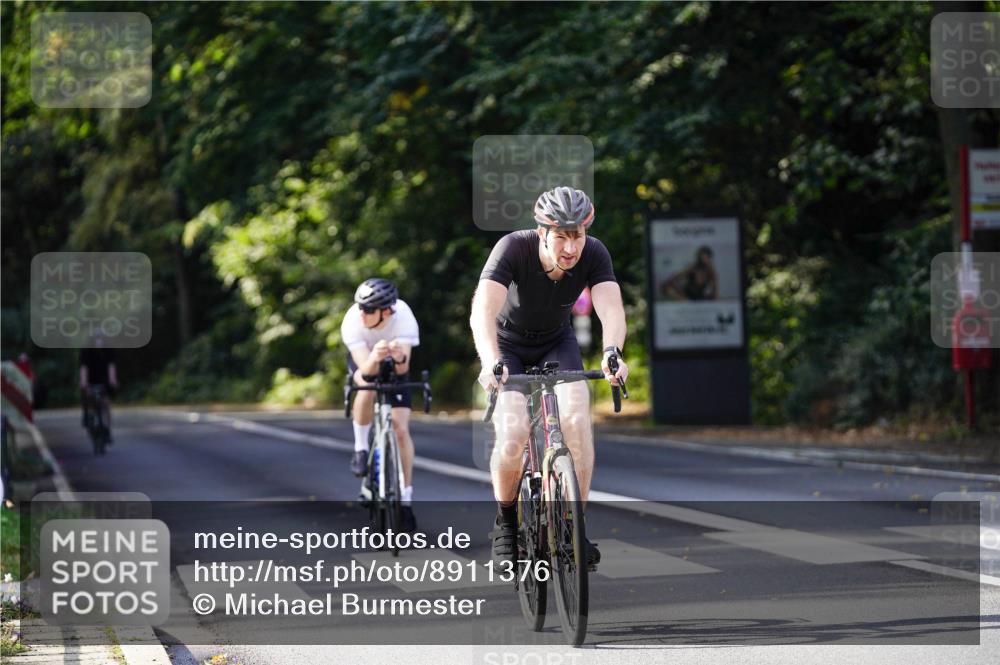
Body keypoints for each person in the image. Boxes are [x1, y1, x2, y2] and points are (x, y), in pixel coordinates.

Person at [469, 186, 629, 569]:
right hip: (509, 347)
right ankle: (507, 526)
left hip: (557, 343)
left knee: (576, 421)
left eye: (578, 236)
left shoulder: (595, 253)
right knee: (513, 431)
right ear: (542, 233)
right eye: (562, 236)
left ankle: (574, 526)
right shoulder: (512, 248)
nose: (571, 248)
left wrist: (612, 352)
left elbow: (611, 307)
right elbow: (482, 310)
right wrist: (490, 360)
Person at [341, 278, 420, 532]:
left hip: (395, 368)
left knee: (400, 429)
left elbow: (405, 367)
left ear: (386, 311)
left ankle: (405, 501)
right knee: (365, 388)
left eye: (369, 310)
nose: (362, 313)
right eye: (361, 307)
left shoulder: (404, 316)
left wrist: (398, 357)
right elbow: (365, 370)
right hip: (365, 361)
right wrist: (375, 356)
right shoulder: (353, 321)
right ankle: (361, 447)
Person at [79, 338, 118, 442]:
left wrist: (112, 380)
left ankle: (107, 429)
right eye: (96, 339)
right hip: (90, 380)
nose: (99, 342)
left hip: (104, 380)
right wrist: (83, 382)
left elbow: (111, 367)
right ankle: (87, 417)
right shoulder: (86, 350)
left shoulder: (109, 350)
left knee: (106, 403)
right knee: (87, 398)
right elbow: (84, 368)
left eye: (101, 339)